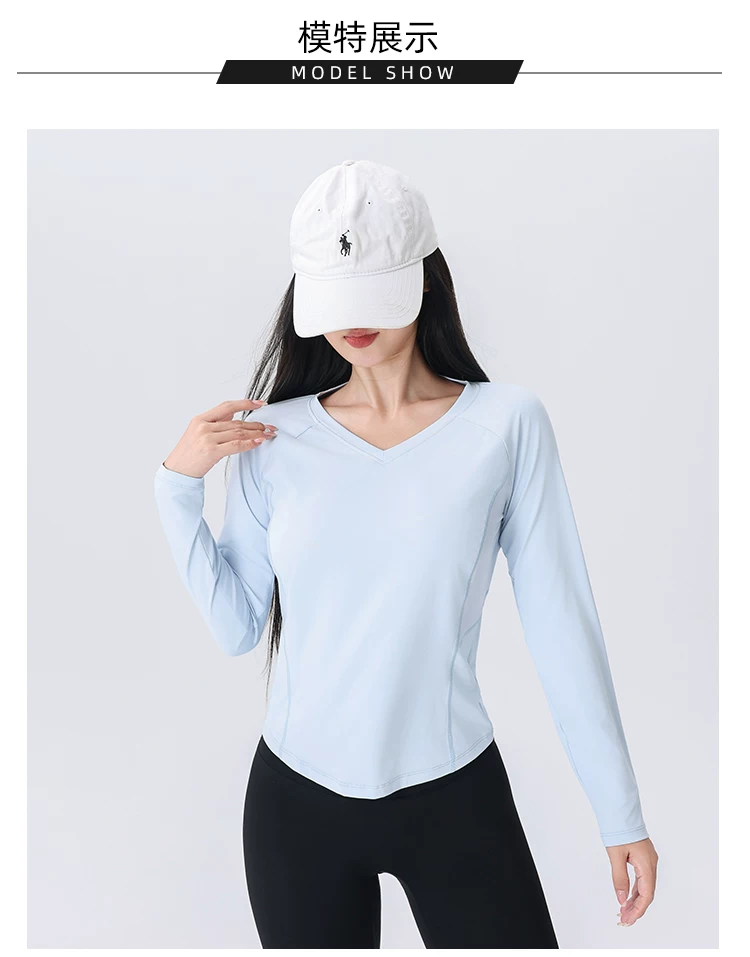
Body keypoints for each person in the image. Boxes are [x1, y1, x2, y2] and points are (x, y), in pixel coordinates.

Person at [154, 159, 658, 948]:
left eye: (374, 294)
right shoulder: (270, 439)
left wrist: (619, 811)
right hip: (295, 806)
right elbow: (237, 627)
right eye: (337, 298)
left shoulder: (506, 425)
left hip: (453, 795)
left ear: (424, 281)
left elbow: (563, 625)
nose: (354, 321)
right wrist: (177, 488)